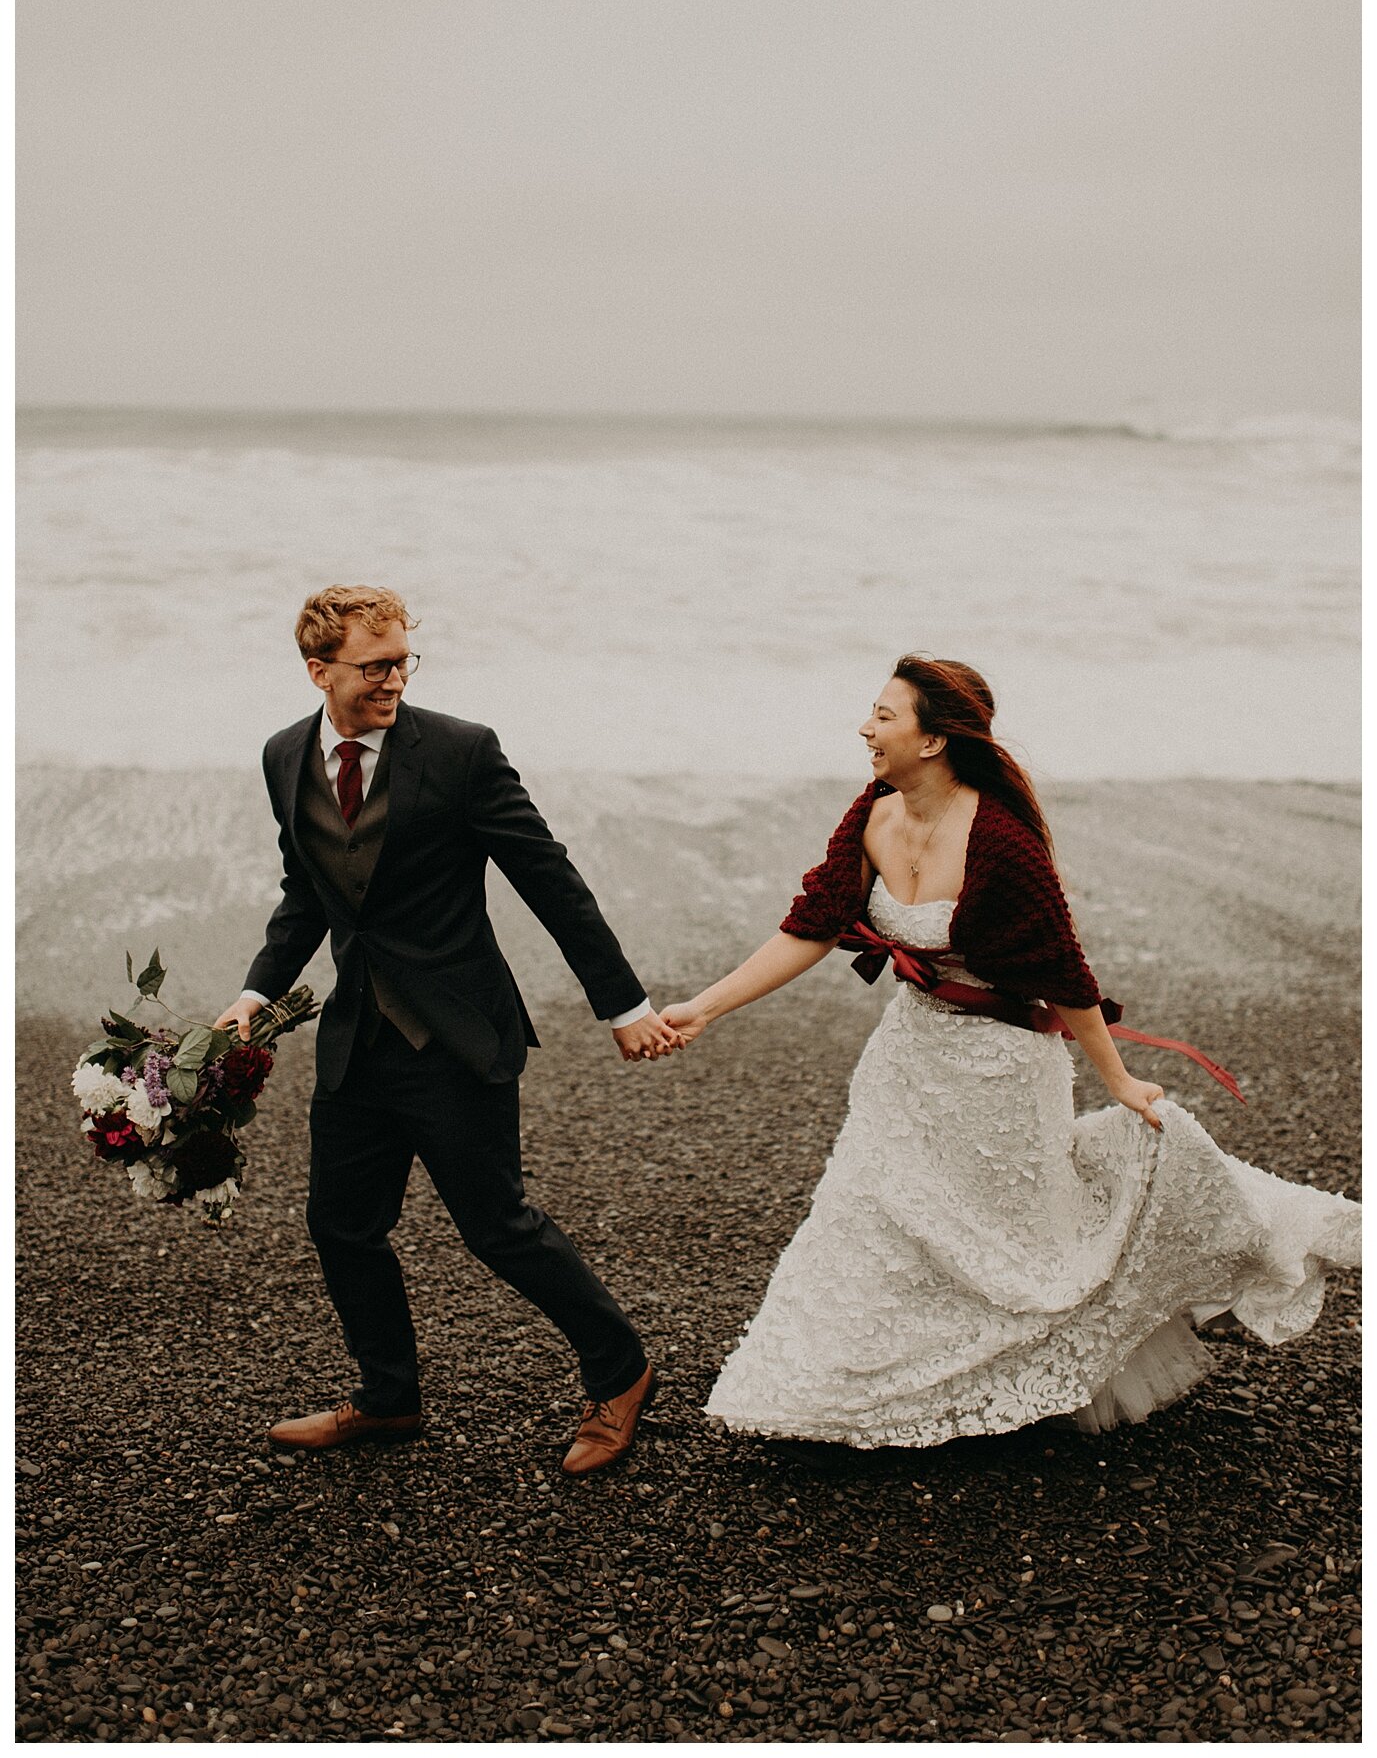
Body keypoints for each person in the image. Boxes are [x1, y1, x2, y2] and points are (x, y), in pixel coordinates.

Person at [661, 656, 1361, 1450]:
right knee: (873, 1215)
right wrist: (703, 1008)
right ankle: (836, 1392)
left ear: (933, 740)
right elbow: (813, 927)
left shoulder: (999, 838)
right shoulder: (872, 812)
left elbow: (1065, 975)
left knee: (1004, 1241)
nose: (866, 727)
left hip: (1002, 1068)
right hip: (908, 1053)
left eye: (885, 716)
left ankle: (1012, 1377)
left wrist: (1118, 1080)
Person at [216, 585, 676, 1475]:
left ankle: (622, 1373)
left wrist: (623, 1007)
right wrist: (255, 991)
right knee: (341, 1225)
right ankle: (388, 1400)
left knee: (495, 1225)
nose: (393, 680)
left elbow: (549, 878)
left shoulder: (463, 752)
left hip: (458, 1032)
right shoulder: (283, 757)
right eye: (373, 665)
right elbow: (307, 889)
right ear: (319, 670)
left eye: (402, 663)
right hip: (358, 1035)